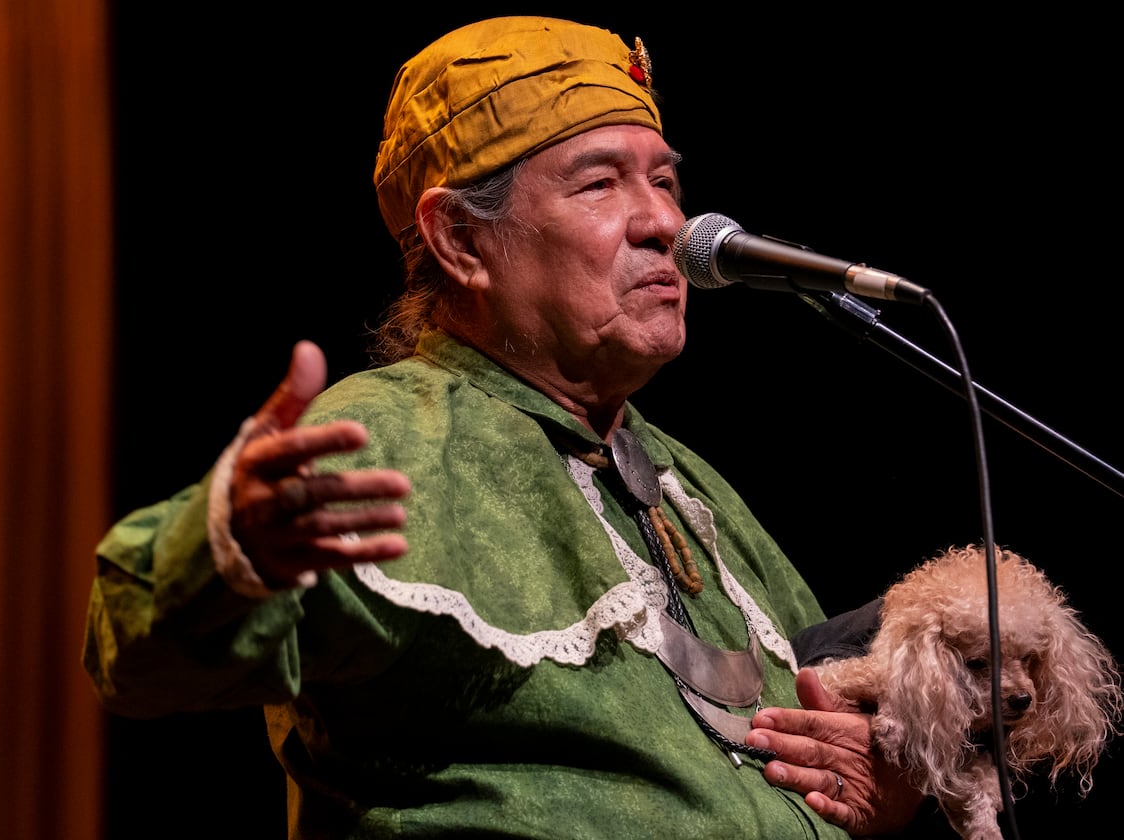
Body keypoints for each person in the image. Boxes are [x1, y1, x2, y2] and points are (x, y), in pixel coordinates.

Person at [84, 16, 935, 838]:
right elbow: (134, 660)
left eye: (666, 181)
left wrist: (887, 781)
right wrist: (230, 552)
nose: (665, 224)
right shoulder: (383, 442)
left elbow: (822, 744)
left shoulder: (694, 488)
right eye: (601, 183)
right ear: (459, 239)